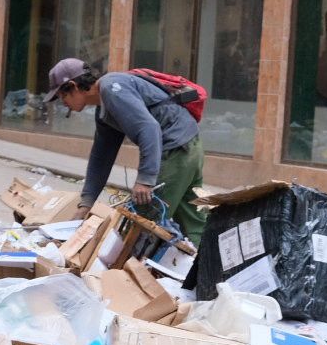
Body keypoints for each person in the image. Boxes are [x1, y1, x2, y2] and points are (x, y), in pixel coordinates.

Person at [45, 58, 209, 243]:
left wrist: (145, 180)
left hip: (175, 151)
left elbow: (149, 128)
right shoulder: (104, 108)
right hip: (190, 148)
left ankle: (131, 271)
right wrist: (86, 203)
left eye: (61, 96)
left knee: (141, 229)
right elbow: (101, 157)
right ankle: (210, 268)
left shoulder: (111, 88)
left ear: (73, 86)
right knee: (194, 225)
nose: (62, 103)